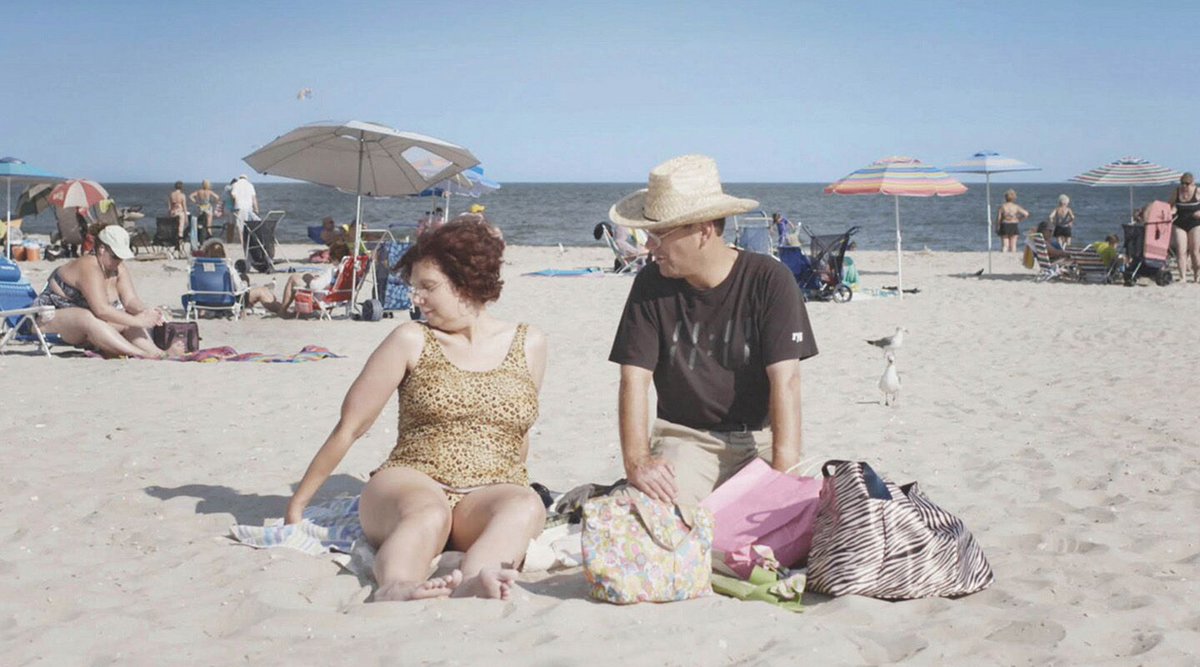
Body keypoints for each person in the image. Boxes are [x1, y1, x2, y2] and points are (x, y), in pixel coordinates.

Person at [285, 220, 547, 601]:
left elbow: (517, 433)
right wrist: (298, 506)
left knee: (525, 505)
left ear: (466, 281)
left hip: (485, 495)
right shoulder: (411, 339)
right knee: (428, 513)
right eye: (414, 287)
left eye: (428, 287)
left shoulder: (529, 343)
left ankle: (475, 580)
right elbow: (351, 426)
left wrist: (512, 483)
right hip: (413, 479)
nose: (416, 299)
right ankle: (397, 585)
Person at [607, 155, 818, 506]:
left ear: (704, 231)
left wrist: (782, 480)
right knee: (642, 513)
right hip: (685, 440)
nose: (649, 247)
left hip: (760, 440)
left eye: (659, 235)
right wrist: (637, 462)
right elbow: (633, 379)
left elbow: (787, 383)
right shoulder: (650, 284)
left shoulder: (770, 280)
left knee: (784, 519)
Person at [34, 226, 181, 359]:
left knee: (128, 317)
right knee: (87, 317)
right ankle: (141, 353)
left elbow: (130, 301)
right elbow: (101, 309)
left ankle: (157, 353)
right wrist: (139, 321)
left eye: (122, 257)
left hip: (90, 325)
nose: (119, 261)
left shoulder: (118, 268)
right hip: (47, 321)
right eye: (116, 256)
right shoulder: (89, 266)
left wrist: (147, 312)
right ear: (101, 249)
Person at [1169, 172, 1200, 282]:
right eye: (1182, 183)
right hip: (1180, 223)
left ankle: (1197, 275)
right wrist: (1172, 211)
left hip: (1195, 223)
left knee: (1194, 252)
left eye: (1187, 183)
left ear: (1192, 183)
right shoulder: (1177, 192)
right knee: (1181, 251)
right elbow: (1170, 205)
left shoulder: (1197, 191)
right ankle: (1182, 277)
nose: (1184, 186)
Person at [995, 189, 1029, 253]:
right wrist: (1019, 219)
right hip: (1014, 224)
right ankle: (1013, 256)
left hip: (1005, 225)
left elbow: (998, 218)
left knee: (1005, 245)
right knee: (1013, 245)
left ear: (1005, 198)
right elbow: (1026, 214)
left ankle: (1004, 256)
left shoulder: (1003, 207)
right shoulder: (1016, 207)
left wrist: (997, 227)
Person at [229, 175, 259, 245]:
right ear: (246, 179)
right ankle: (249, 241)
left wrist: (235, 202)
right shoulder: (250, 185)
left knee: (240, 226)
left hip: (239, 207)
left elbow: (233, 195)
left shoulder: (235, 184)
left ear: (239, 178)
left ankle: (243, 242)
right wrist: (256, 208)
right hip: (249, 207)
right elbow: (254, 198)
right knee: (249, 225)